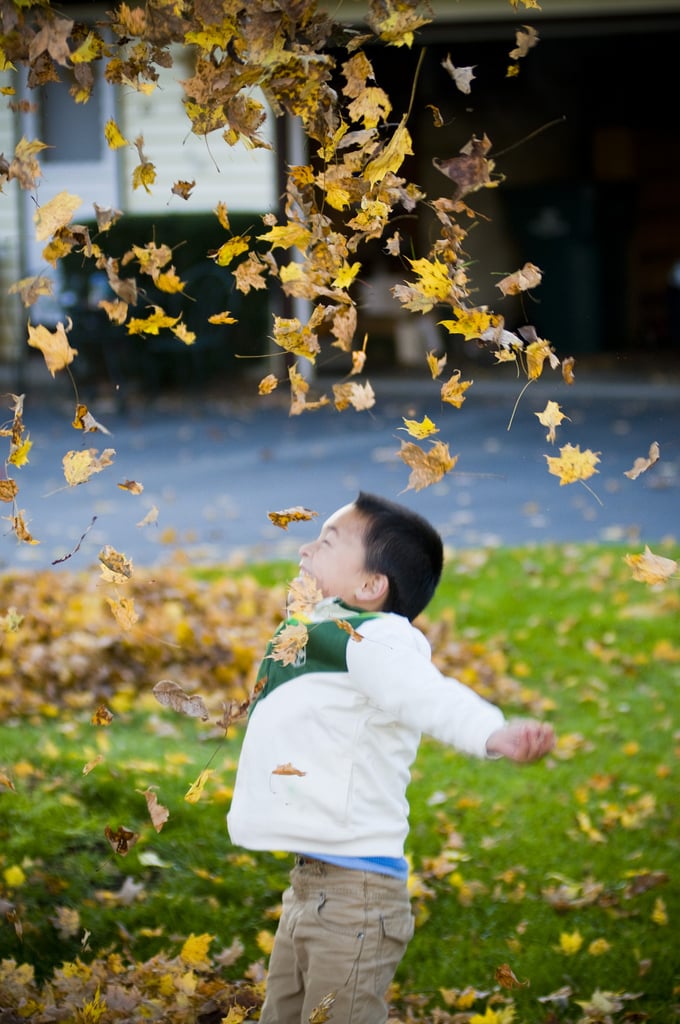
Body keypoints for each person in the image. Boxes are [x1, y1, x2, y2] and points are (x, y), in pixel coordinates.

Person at [226, 491, 556, 1024]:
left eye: (328, 541)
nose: (307, 548)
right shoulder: (321, 631)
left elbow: (429, 695)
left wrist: (491, 733)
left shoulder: (374, 638)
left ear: (370, 586)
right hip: (311, 887)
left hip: (355, 897)